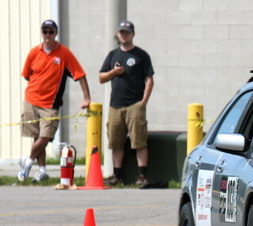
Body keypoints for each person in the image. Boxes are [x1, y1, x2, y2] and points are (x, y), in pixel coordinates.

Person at [18, 19, 91, 182]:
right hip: (31, 100)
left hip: (50, 105)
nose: (47, 35)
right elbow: (27, 76)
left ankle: (27, 162)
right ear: (41, 33)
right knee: (37, 138)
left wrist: (86, 98)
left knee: (45, 136)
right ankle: (42, 171)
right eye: (45, 31)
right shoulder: (34, 52)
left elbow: (80, 74)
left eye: (51, 32)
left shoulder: (64, 53)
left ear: (56, 33)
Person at [99, 20, 154, 187]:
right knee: (116, 141)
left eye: (127, 32)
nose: (124, 35)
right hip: (115, 105)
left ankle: (142, 176)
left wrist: (143, 102)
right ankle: (117, 176)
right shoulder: (112, 55)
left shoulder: (141, 55)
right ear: (118, 35)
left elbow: (149, 79)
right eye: (121, 32)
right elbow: (101, 77)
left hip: (135, 104)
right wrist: (114, 72)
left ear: (133, 34)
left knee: (139, 140)